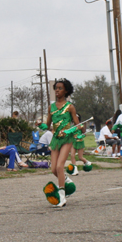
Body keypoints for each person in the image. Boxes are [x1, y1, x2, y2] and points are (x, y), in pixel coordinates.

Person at [42, 79, 80, 207]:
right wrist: (40, 125)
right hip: (56, 139)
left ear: (66, 91)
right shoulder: (51, 107)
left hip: (67, 139)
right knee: (53, 169)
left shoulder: (70, 107)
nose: (57, 90)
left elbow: (78, 124)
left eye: (60, 88)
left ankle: (62, 196)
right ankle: (66, 180)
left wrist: (75, 129)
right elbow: (47, 125)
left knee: (59, 166)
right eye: (56, 88)